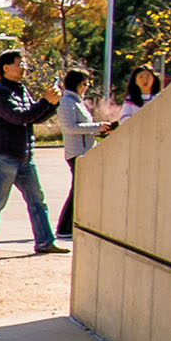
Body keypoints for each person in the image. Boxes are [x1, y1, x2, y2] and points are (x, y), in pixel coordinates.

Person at [0, 48, 63, 258]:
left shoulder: (20, 90)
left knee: (37, 200)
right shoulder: (0, 92)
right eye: (20, 63)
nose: (24, 67)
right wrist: (46, 102)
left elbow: (33, 117)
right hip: (5, 156)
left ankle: (45, 242)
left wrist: (50, 104)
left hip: (24, 156)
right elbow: (18, 117)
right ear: (6, 68)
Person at [54, 69, 104, 239]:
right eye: (85, 83)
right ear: (76, 83)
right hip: (77, 152)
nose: (87, 87)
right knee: (77, 190)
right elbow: (70, 127)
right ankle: (64, 227)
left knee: (80, 189)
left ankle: (71, 225)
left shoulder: (77, 102)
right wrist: (98, 127)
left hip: (85, 150)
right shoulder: (67, 102)